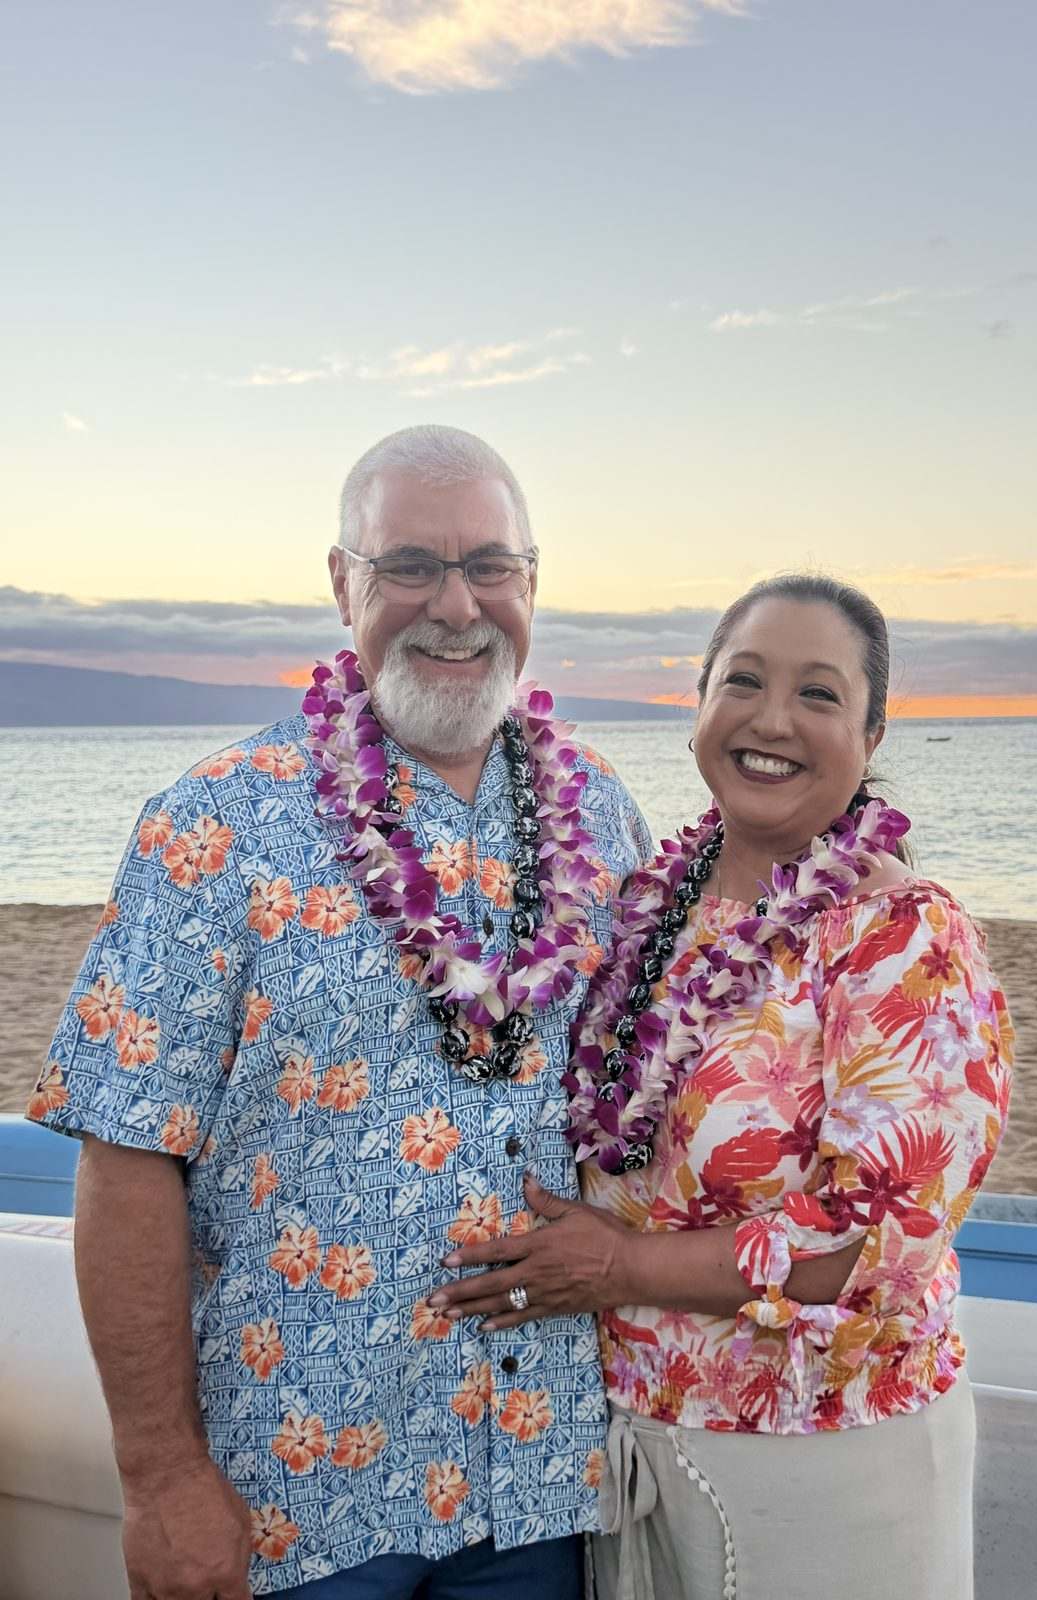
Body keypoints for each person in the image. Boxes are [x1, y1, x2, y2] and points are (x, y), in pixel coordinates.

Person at [26, 425, 652, 1600]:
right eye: (409, 565)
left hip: (543, 1487)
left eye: (489, 568)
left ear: (534, 582)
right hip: (297, 1504)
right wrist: (161, 1475)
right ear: (342, 583)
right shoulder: (217, 820)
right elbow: (125, 1157)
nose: (455, 606)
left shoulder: (602, 811)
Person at [430, 573, 1014, 1599]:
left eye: (819, 695)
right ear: (699, 702)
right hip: (636, 1439)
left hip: (825, 1455)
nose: (772, 720)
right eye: (742, 681)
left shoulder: (903, 937)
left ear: (872, 736)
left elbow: (866, 1241)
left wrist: (617, 1267)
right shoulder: (652, 903)